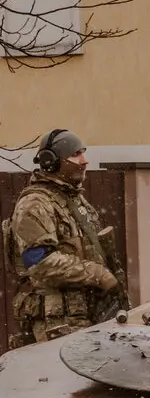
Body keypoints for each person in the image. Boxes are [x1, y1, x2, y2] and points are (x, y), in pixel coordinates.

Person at [5, 129, 123, 345]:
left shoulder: (75, 202)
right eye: (76, 154)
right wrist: (98, 275)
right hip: (56, 324)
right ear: (51, 161)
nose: (84, 161)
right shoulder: (35, 204)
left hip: (86, 317)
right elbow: (40, 263)